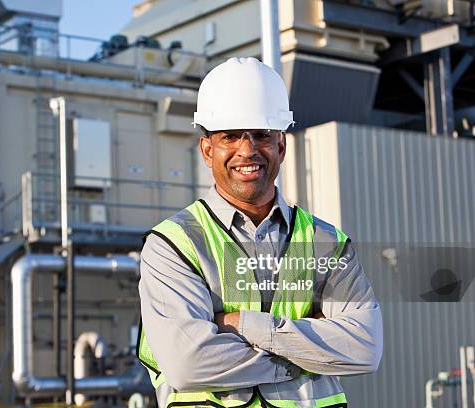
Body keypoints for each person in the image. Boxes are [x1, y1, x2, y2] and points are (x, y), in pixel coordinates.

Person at [136, 57, 383, 408]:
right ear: (208, 150)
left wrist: (243, 326)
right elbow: (187, 363)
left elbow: (365, 348)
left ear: (281, 145)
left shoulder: (327, 243)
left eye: (261, 135)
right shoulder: (173, 245)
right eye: (231, 136)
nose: (248, 150)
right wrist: (307, 354)